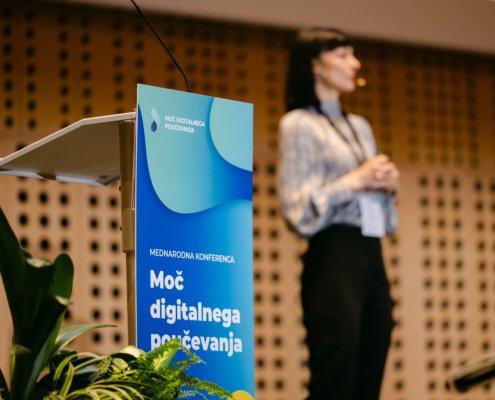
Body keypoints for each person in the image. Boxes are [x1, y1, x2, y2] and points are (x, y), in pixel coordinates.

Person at [278, 28, 400, 400]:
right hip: (333, 258)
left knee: (370, 373)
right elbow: (297, 212)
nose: (355, 63)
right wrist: (354, 181)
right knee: (336, 377)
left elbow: (387, 220)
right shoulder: (299, 124)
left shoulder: (359, 126)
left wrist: (387, 186)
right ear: (315, 65)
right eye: (343, 55)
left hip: (371, 254)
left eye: (353, 54)